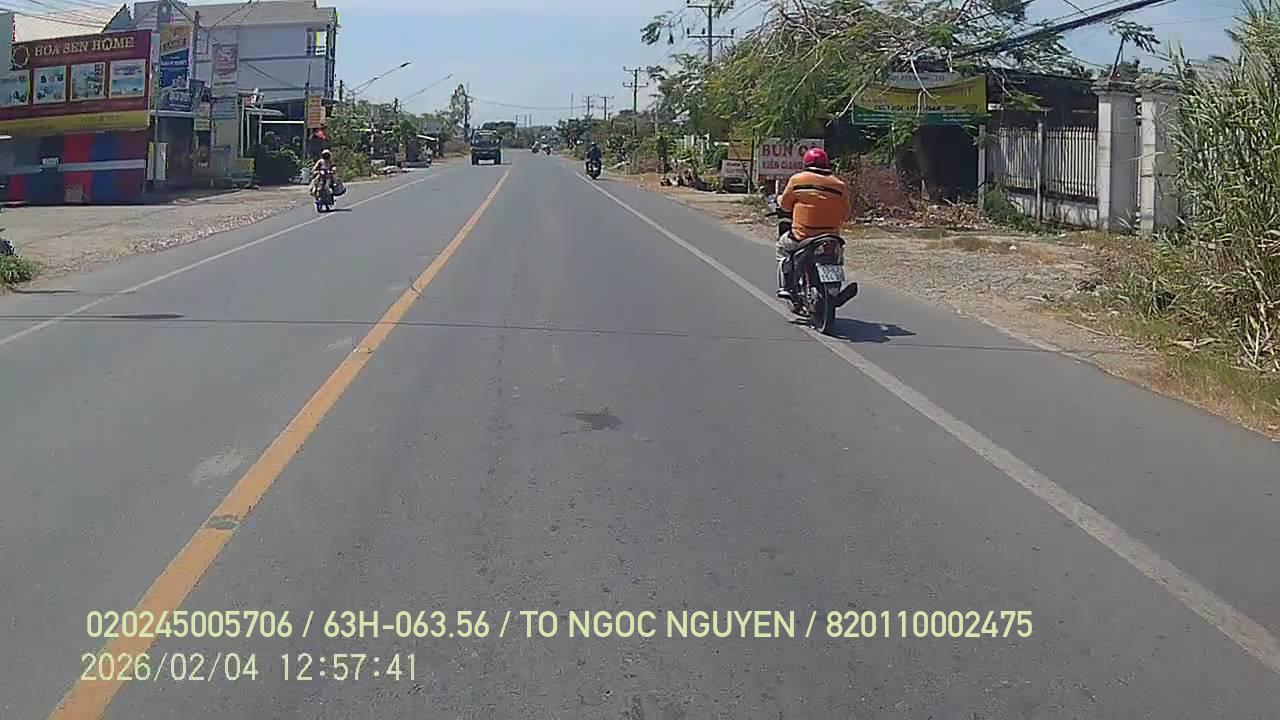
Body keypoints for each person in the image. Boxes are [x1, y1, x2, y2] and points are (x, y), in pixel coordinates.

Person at [775, 148, 851, 298]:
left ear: (805, 163)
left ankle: (788, 286)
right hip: (831, 238)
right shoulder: (840, 185)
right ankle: (835, 289)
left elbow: (785, 205)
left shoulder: (797, 180)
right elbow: (846, 215)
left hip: (802, 236)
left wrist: (778, 200)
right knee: (836, 256)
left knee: (782, 248)